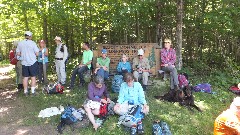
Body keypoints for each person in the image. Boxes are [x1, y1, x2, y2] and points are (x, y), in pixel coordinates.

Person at [16, 31, 39, 96]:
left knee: (25, 77)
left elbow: (18, 53)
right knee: (33, 77)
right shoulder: (33, 43)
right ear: (30, 36)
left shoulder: (20, 43)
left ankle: (25, 92)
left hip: (24, 62)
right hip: (32, 62)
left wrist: (23, 54)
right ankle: (32, 92)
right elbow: (37, 54)